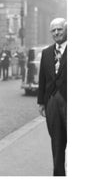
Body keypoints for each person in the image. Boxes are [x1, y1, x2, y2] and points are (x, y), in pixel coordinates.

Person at [37, 17, 67, 176]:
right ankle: (59, 175)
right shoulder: (47, 52)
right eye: (53, 30)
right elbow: (42, 78)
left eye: (60, 29)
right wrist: (41, 102)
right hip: (52, 104)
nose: (56, 33)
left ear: (66, 29)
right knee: (56, 143)